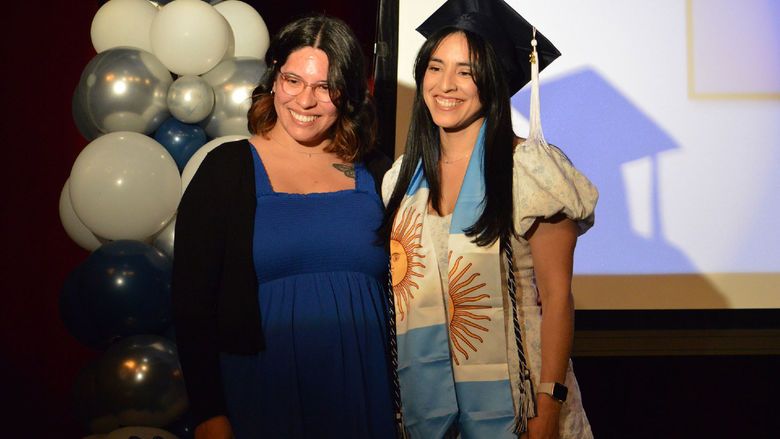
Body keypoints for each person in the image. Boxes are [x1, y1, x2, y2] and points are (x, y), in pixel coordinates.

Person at [379, 0, 598, 438]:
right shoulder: (402, 179)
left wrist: (547, 406)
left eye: (466, 71)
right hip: (429, 405)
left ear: (493, 82)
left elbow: (557, 298)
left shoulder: (530, 170)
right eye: (436, 67)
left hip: (522, 400)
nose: (446, 85)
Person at [172, 15, 396, 439]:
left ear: (348, 93)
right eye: (294, 80)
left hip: (363, 388)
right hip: (260, 388)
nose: (306, 101)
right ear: (274, 78)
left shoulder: (377, 171)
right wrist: (208, 412)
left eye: (325, 87)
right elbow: (191, 304)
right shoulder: (227, 170)